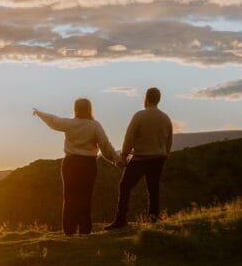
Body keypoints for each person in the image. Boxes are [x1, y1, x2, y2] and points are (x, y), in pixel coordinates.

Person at [33, 99, 121, 236]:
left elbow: (53, 121)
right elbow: (105, 145)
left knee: (69, 197)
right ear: (89, 109)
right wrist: (116, 159)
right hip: (88, 165)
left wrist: (39, 114)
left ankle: (69, 231)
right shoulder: (94, 126)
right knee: (85, 197)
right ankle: (85, 231)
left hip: (70, 164)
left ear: (75, 109)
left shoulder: (69, 124)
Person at [106, 87, 173, 229]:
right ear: (159, 99)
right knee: (153, 188)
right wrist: (165, 153)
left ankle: (121, 219)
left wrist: (123, 156)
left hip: (140, 158)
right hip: (158, 158)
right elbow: (169, 140)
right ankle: (154, 218)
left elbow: (129, 137)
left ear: (146, 98)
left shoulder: (139, 116)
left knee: (125, 187)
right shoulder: (165, 118)